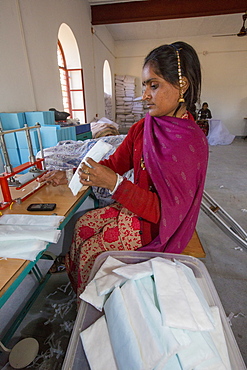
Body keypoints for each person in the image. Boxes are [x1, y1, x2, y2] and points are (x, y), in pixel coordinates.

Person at [38, 41, 209, 299]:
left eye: (154, 85)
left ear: (182, 85)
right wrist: (72, 174)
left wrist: (116, 184)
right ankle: (85, 299)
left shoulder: (189, 143)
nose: (145, 95)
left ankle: (96, 311)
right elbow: (114, 164)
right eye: (144, 86)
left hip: (158, 226)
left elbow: (166, 213)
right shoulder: (144, 128)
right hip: (135, 210)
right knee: (82, 225)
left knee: (91, 250)